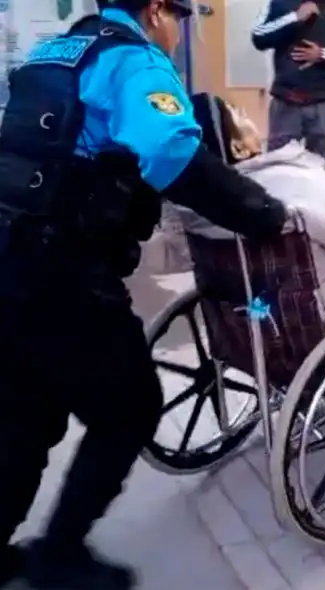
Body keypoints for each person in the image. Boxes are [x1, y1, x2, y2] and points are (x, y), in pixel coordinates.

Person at [0, 1, 289, 587]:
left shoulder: (55, 50)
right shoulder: (136, 62)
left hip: (10, 254)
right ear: (156, 9)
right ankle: (59, 554)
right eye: (179, 15)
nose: (179, 28)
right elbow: (170, 152)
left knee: (24, 415)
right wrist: (261, 213)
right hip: (64, 272)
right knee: (127, 408)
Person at [183, 94, 325, 308]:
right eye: (240, 115)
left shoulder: (198, 207)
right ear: (237, 146)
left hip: (246, 322)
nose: (249, 119)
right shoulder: (293, 181)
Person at [251, 0, 325, 177]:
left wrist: (323, 54)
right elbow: (258, 37)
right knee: (278, 167)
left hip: (323, 101)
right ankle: (281, 204)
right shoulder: (280, 3)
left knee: (321, 169)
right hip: (285, 100)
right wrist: (294, 18)